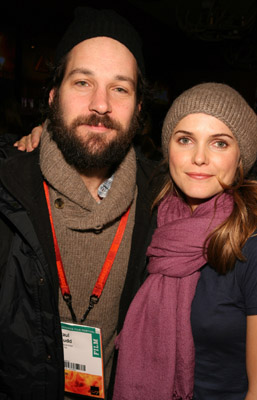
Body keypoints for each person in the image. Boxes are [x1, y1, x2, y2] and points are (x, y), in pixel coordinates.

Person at [0, 6, 161, 400]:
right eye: (83, 82)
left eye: (120, 88)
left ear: (139, 108)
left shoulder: (165, 201)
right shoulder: (7, 193)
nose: (101, 105)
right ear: (53, 97)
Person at [112, 83, 257, 400]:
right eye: (185, 140)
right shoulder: (151, 221)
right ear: (167, 148)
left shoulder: (256, 246)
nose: (199, 158)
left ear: (242, 156)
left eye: (219, 143)